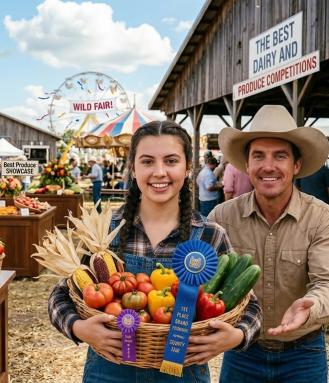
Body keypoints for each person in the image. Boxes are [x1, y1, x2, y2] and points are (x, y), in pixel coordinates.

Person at [48, 120, 261, 383]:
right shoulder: (103, 231)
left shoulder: (210, 235)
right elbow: (60, 296)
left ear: (187, 169)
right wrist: (78, 328)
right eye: (147, 161)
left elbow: (250, 306)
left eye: (171, 161)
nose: (159, 172)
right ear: (133, 170)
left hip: (184, 373)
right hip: (109, 371)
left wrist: (237, 335)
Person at [208, 105, 329, 383]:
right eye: (259, 156)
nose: (268, 166)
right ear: (247, 165)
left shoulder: (321, 217)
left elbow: (327, 281)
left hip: (304, 354)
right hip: (242, 351)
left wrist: (310, 306)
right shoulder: (221, 217)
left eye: (280, 156)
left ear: (296, 165)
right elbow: (204, 283)